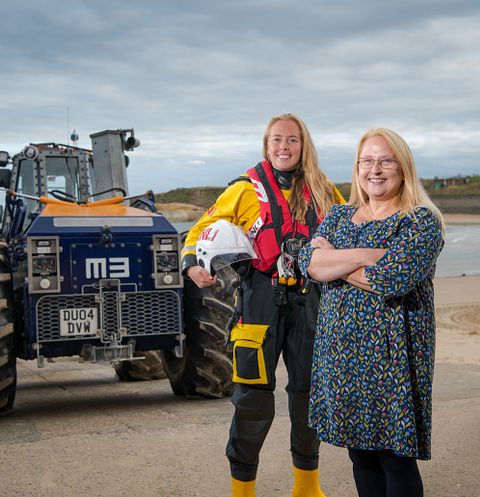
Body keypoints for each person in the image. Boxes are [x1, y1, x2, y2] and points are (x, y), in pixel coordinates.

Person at [181, 113, 345, 497]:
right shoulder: (243, 190)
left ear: (304, 145)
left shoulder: (324, 190)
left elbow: (350, 227)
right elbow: (199, 231)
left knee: (308, 396)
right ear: (266, 145)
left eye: (291, 140)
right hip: (258, 304)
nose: (283, 147)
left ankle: (307, 487)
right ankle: (243, 491)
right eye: (276, 140)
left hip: (312, 302)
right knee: (251, 401)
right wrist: (193, 266)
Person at [298, 128, 444, 497]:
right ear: (357, 168)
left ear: (402, 166)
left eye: (385, 161)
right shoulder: (338, 216)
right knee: (360, 456)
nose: (374, 170)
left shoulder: (420, 221)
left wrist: (335, 260)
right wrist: (367, 255)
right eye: (367, 161)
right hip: (341, 353)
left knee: (396, 457)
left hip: (393, 355)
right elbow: (308, 264)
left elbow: (393, 279)